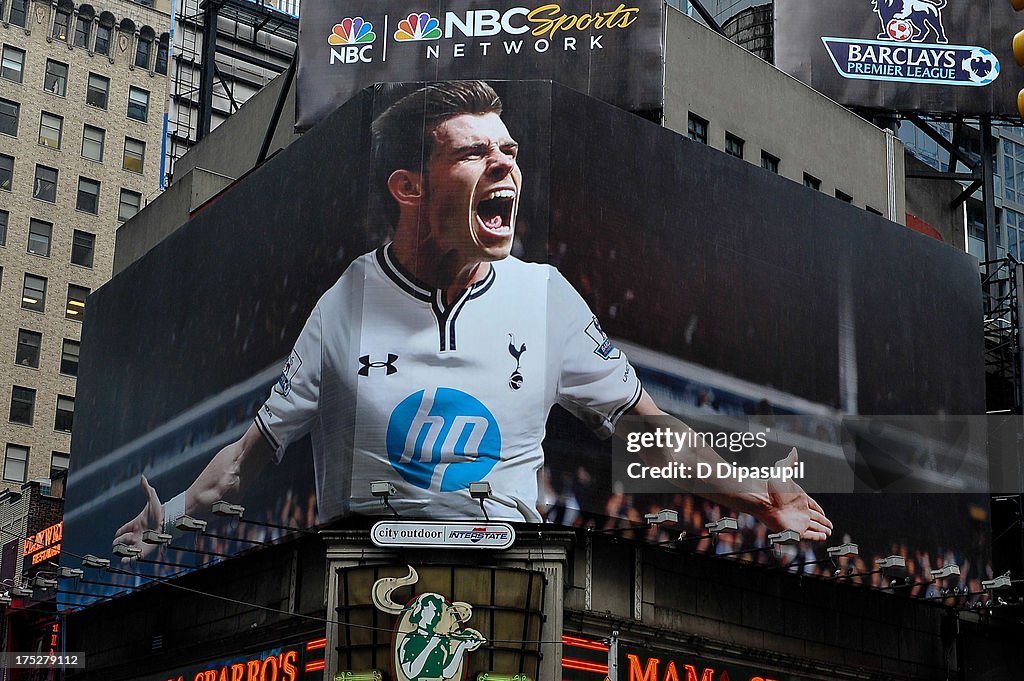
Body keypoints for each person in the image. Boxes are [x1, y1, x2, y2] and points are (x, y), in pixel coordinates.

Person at [114, 81, 831, 556]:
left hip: (508, 587)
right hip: (365, 586)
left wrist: (756, 490)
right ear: (408, 186)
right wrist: (170, 516)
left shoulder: (546, 297)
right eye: (475, 152)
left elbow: (648, 432)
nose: (505, 166)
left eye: (509, 151)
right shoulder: (347, 302)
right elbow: (247, 459)